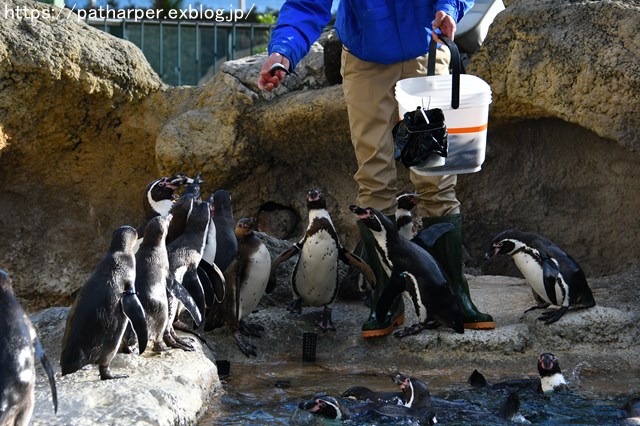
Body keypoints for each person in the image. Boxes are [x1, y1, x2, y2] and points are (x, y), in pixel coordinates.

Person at [258, 0, 495, 337]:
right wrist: (283, 51)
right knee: (373, 179)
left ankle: (454, 297)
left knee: (437, 177)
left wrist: (449, 8)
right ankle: (385, 300)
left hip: (427, 49)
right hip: (365, 60)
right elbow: (307, 4)